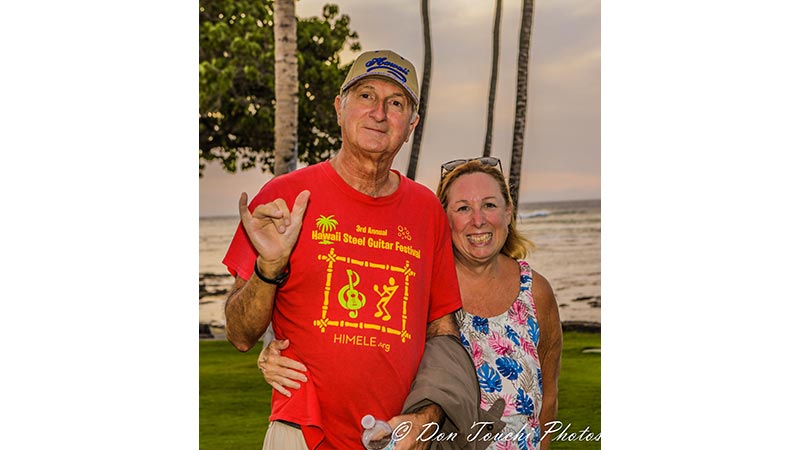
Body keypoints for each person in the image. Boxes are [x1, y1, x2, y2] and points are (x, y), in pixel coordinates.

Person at [222, 50, 480, 450]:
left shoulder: (427, 210)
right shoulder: (284, 197)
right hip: (303, 432)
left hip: (397, 438)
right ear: (340, 108)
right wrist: (268, 267)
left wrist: (425, 416)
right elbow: (238, 333)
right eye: (365, 96)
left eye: (396, 103)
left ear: (410, 125)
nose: (379, 112)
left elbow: (442, 332)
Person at [261, 157, 563, 450]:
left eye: (489, 205)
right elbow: (359, 334)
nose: (478, 219)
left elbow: (548, 395)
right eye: (462, 208)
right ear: (442, 219)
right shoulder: (418, 286)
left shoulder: (535, 291)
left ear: (508, 212)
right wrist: (273, 349)